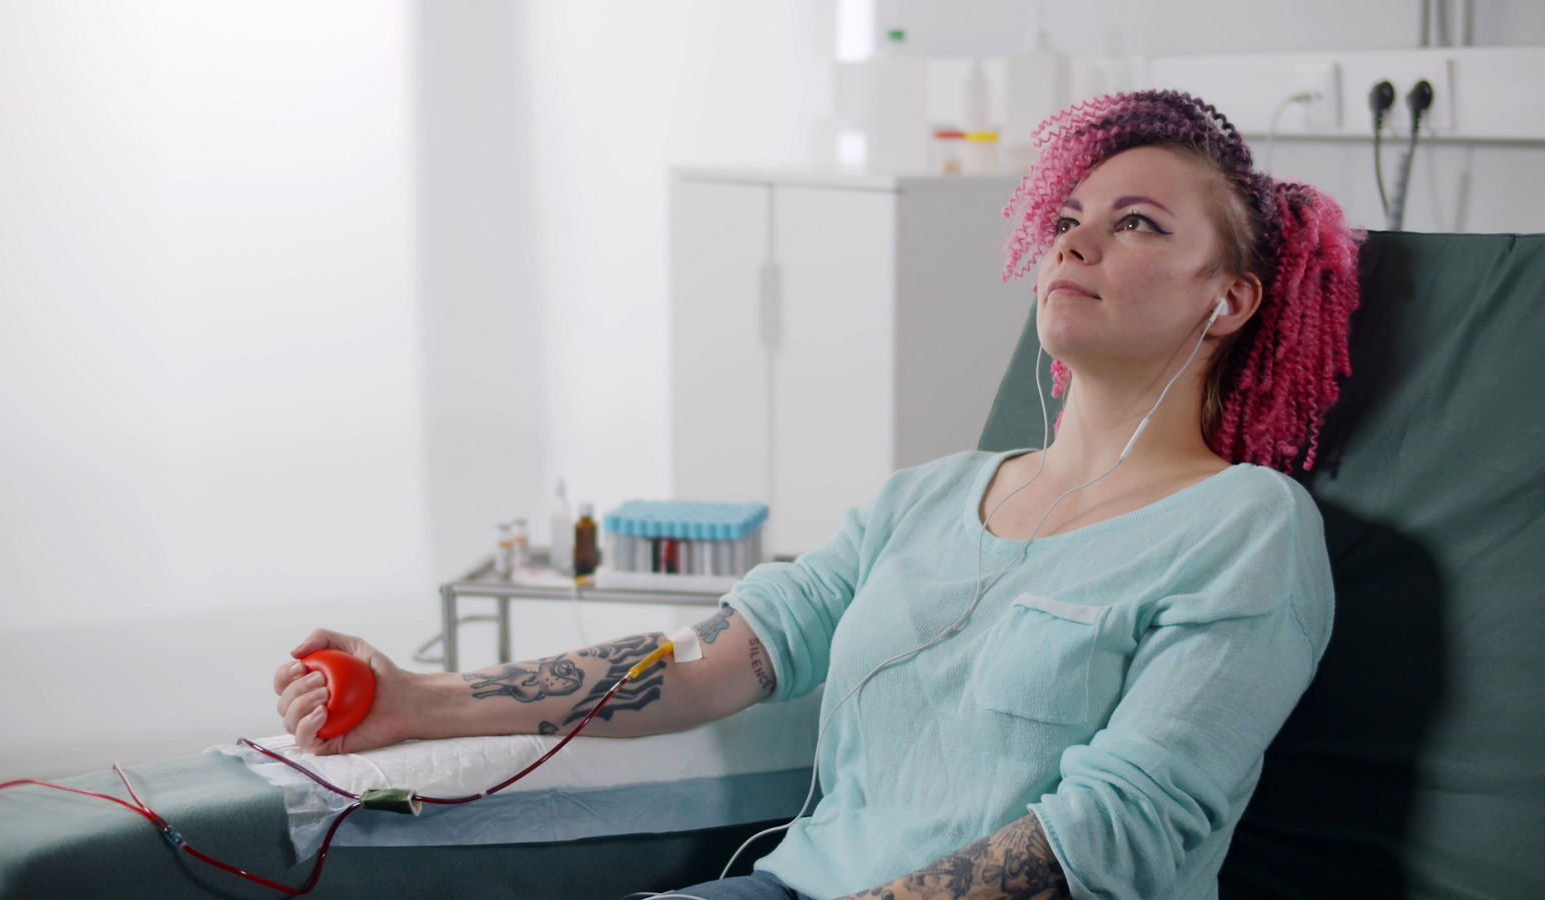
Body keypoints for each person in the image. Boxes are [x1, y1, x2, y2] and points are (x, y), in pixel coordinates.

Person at [274, 90, 1360, 900]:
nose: (1073, 238)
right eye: (1069, 214)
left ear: (1227, 302)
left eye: (1137, 224)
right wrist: (425, 698)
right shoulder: (925, 499)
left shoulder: (1244, 528)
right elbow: (709, 665)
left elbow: (1114, 831)